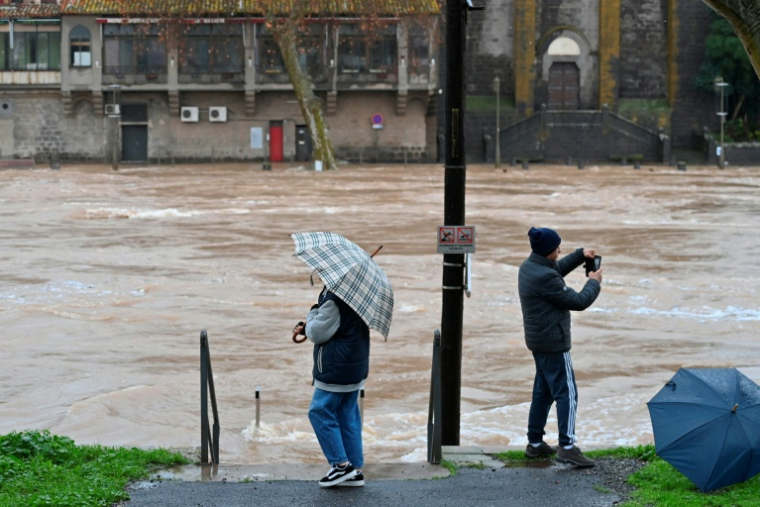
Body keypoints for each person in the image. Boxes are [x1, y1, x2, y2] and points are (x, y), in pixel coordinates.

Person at [517, 227, 603, 468]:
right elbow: (579, 301)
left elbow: (556, 270)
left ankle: (535, 444)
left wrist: (579, 255)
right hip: (553, 343)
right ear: (548, 251)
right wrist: (594, 283)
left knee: (542, 394)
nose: (560, 250)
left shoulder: (530, 266)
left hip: (539, 342)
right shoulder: (545, 277)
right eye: (557, 247)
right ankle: (567, 447)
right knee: (568, 393)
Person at [303, 286, 369, 487]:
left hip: (336, 368)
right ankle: (355, 470)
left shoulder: (334, 297)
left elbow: (316, 333)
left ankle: (341, 466)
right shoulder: (357, 292)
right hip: (355, 365)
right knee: (346, 414)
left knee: (319, 411)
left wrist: (313, 312)